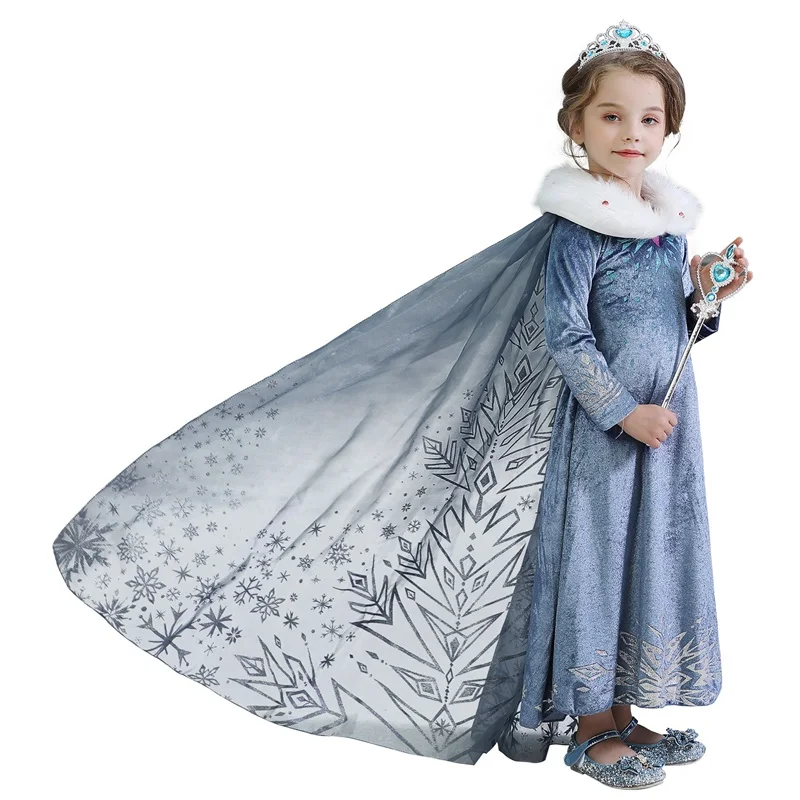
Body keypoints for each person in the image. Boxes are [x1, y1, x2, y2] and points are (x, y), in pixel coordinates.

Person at [52, 19, 751, 787]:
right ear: (576, 126)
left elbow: (670, 329)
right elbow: (569, 338)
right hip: (603, 440)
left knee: (646, 561)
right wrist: (623, 412)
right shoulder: (581, 232)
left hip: (665, 439)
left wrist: (706, 298)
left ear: (669, 129)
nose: (631, 133)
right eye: (611, 116)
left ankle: (624, 713)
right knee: (598, 564)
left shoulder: (664, 231)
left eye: (649, 118)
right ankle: (589, 729)